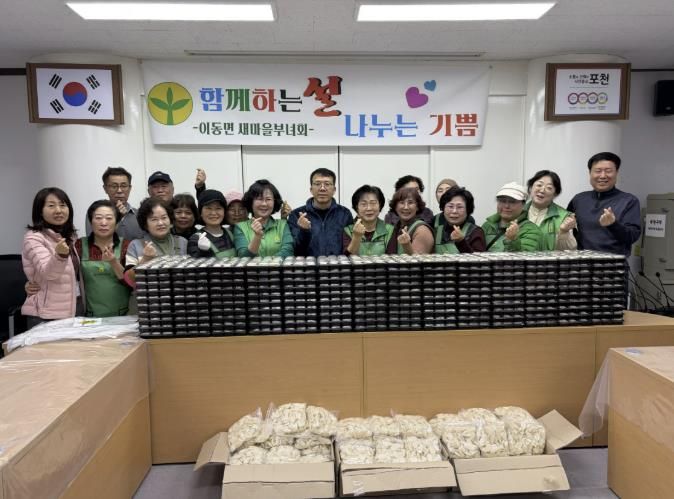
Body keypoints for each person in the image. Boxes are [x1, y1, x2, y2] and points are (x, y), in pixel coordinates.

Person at [21, 187, 80, 326]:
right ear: (40, 211)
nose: (58, 210)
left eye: (63, 205)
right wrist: (60, 255)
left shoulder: (71, 237)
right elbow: (48, 274)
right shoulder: (33, 238)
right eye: (51, 205)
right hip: (47, 314)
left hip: (73, 308)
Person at [567, 152, 641, 257]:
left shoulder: (629, 201)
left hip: (614, 264)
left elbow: (632, 237)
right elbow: (566, 226)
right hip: (582, 263)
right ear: (590, 173)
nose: (602, 176)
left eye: (608, 171)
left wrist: (613, 224)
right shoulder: (579, 199)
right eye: (598, 171)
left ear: (616, 173)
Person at [76, 200, 132, 317]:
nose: (103, 223)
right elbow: (70, 279)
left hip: (123, 316)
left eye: (109, 218)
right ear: (91, 221)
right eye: (98, 218)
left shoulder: (127, 246)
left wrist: (113, 262)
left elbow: (131, 282)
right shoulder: (79, 245)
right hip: (89, 317)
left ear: (116, 222)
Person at [288, 168, 353, 256]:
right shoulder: (296, 215)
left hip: (337, 264)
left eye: (327, 184)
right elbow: (295, 251)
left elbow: (349, 249)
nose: (322, 188)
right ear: (311, 189)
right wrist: (304, 231)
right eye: (317, 184)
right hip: (307, 264)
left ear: (334, 190)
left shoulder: (345, 214)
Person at [195, 168, 289, 221]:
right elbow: (206, 205)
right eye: (232, 209)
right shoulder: (220, 227)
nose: (237, 213)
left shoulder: (253, 225)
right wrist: (200, 187)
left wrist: (284, 219)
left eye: (241, 209)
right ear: (225, 211)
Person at [233, 180, 294, 257]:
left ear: (274, 202)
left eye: (268, 199)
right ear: (251, 202)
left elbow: (288, 251)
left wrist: (268, 262)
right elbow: (243, 257)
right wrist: (257, 237)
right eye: (259, 199)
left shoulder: (283, 224)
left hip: (277, 265)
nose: (264, 204)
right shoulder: (240, 227)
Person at [126, 197, 188, 270]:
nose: (160, 223)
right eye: (154, 219)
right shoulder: (135, 245)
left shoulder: (183, 242)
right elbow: (128, 276)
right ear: (145, 224)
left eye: (164, 218)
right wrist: (145, 259)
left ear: (170, 220)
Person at [85, 167, 144, 240]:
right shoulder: (95, 213)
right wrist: (118, 217)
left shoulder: (139, 215)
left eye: (124, 186)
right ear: (105, 189)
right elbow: (92, 242)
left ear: (130, 188)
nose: (119, 190)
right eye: (114, 186)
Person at [482, 182, 543, 252]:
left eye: (512, 202)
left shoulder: (531, 231)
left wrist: (512, 240)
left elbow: (525, 257)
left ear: (523, 204)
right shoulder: (487, 226)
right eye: (502, 201)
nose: (506, 206)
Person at [525, 170, 577, 251]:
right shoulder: (517, 211)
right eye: (539, 185)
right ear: (531, 187)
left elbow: (569, 251)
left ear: (555, 194)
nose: (542, 190)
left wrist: (563, 232)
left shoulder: (564, 217)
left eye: (549, 188)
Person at [343, 185, 394, 256]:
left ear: (380, 206)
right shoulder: (348, 230)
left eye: (373, 203)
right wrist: (356, 237)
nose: (369, 208)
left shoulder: (390, 230)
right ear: (357, 208)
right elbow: (347, 259)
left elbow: (392, 258)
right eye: (363, 204)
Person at [435, 186, 486, 254]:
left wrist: (461, 241)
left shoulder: (475, 232)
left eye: (459, 207)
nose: (454, 211)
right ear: (443, 208)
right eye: (450, 206)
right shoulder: (436, 231)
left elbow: (479, 259)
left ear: (468, 210)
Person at [385, 187, 434, 255]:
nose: (406, 207)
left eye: (410, 203)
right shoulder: (395, 227)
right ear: (395, 207)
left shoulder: (422, 230)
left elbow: (417, 260)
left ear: (417, 207)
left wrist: (407, 245)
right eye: (402, 203)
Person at [188, 190, 236, 258]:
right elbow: (193, 263)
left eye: (218, 208)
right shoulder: (196, 239)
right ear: (201, 213)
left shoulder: (231, 233)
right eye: (208, 208)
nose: (213, 213)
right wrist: (203, 252)